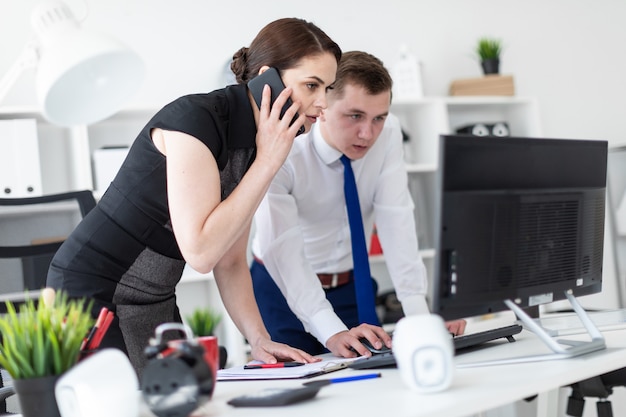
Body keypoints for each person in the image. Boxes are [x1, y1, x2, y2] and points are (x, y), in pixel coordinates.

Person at [46, 17, 342, 376]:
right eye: (312, 85)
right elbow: (201, 252)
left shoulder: (261, 145)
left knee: (183, 403)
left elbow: (230, 259)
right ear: (268, 80)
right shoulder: (195, 121)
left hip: (153, 299)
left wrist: (258, 339)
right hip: (91, 293)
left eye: (328, 87)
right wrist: (267, 162)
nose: (323, 102)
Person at [250, 51, 466, 358]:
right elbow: (283, 248)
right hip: (281, 286)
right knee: (301, 386)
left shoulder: (388, 134)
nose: (368, 133)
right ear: (322, 107)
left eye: (379, 117)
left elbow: (396, 220)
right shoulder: (284, 146)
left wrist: (421, 316)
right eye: (355, 116)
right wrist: (330, 329)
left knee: (370, 375)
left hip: (352, 284)